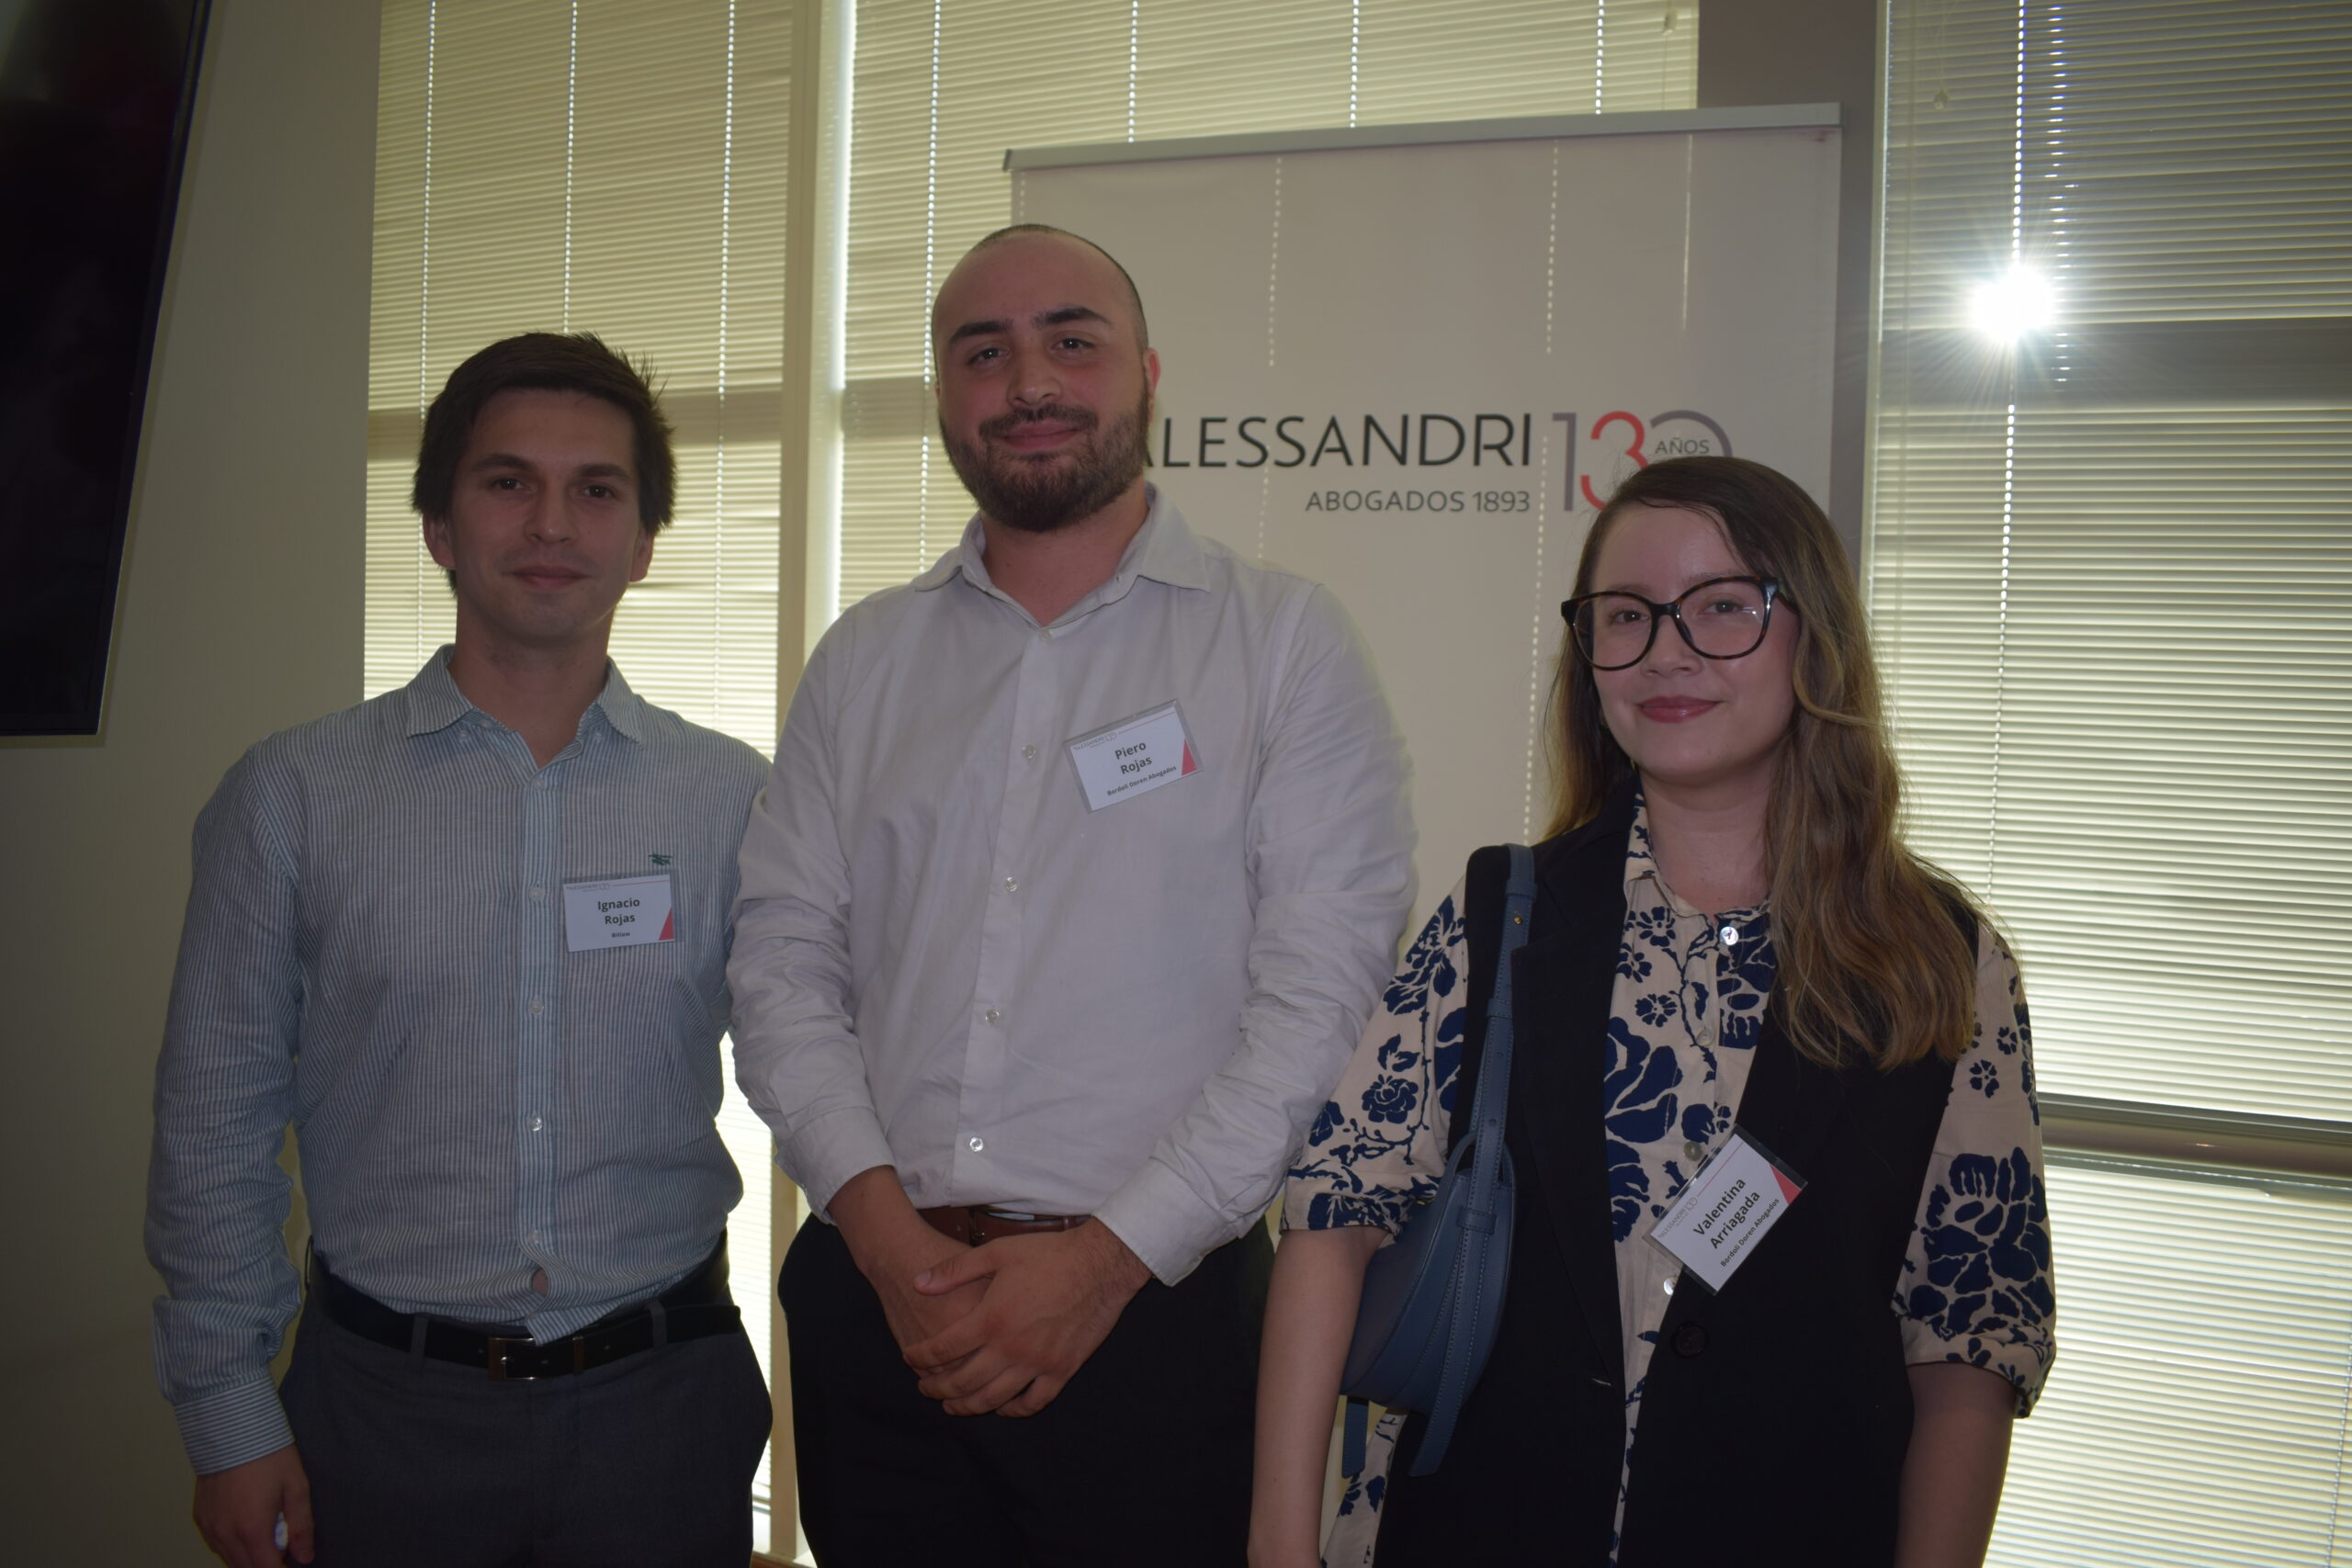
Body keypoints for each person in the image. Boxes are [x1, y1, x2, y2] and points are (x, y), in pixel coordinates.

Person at [729, 223, 1416, 1566]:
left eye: (1072, 340)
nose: (1029, 381)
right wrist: (883, 1237)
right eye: (983, 352)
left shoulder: (1282, 643)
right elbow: (780, 962)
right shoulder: (863, 660)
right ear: (944, 393)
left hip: (1159, 1319)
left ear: (1148, 375)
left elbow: (1320, 1001)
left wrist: (1106, 1261)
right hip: (883, 1310)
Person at [1250, 456, 2055, 1568]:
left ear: (1811, 633)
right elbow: (1334, 1219)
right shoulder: (1503, 917)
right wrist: (1278, 1545)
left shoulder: (1940, 963)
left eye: (1721, 606)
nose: (1666, 652)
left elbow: (1969, 1332)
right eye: (1625, 615)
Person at [145, 333, 774, 1568]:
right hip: (382, 1414)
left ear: (644, 543)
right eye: (507, 481)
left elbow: (813, 1065)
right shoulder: (292, 796)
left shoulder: (736, 800)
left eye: (597, 488)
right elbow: (213, 1121)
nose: (552, 522)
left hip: (663, 1407)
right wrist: (226, 1415)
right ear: (438, 524)